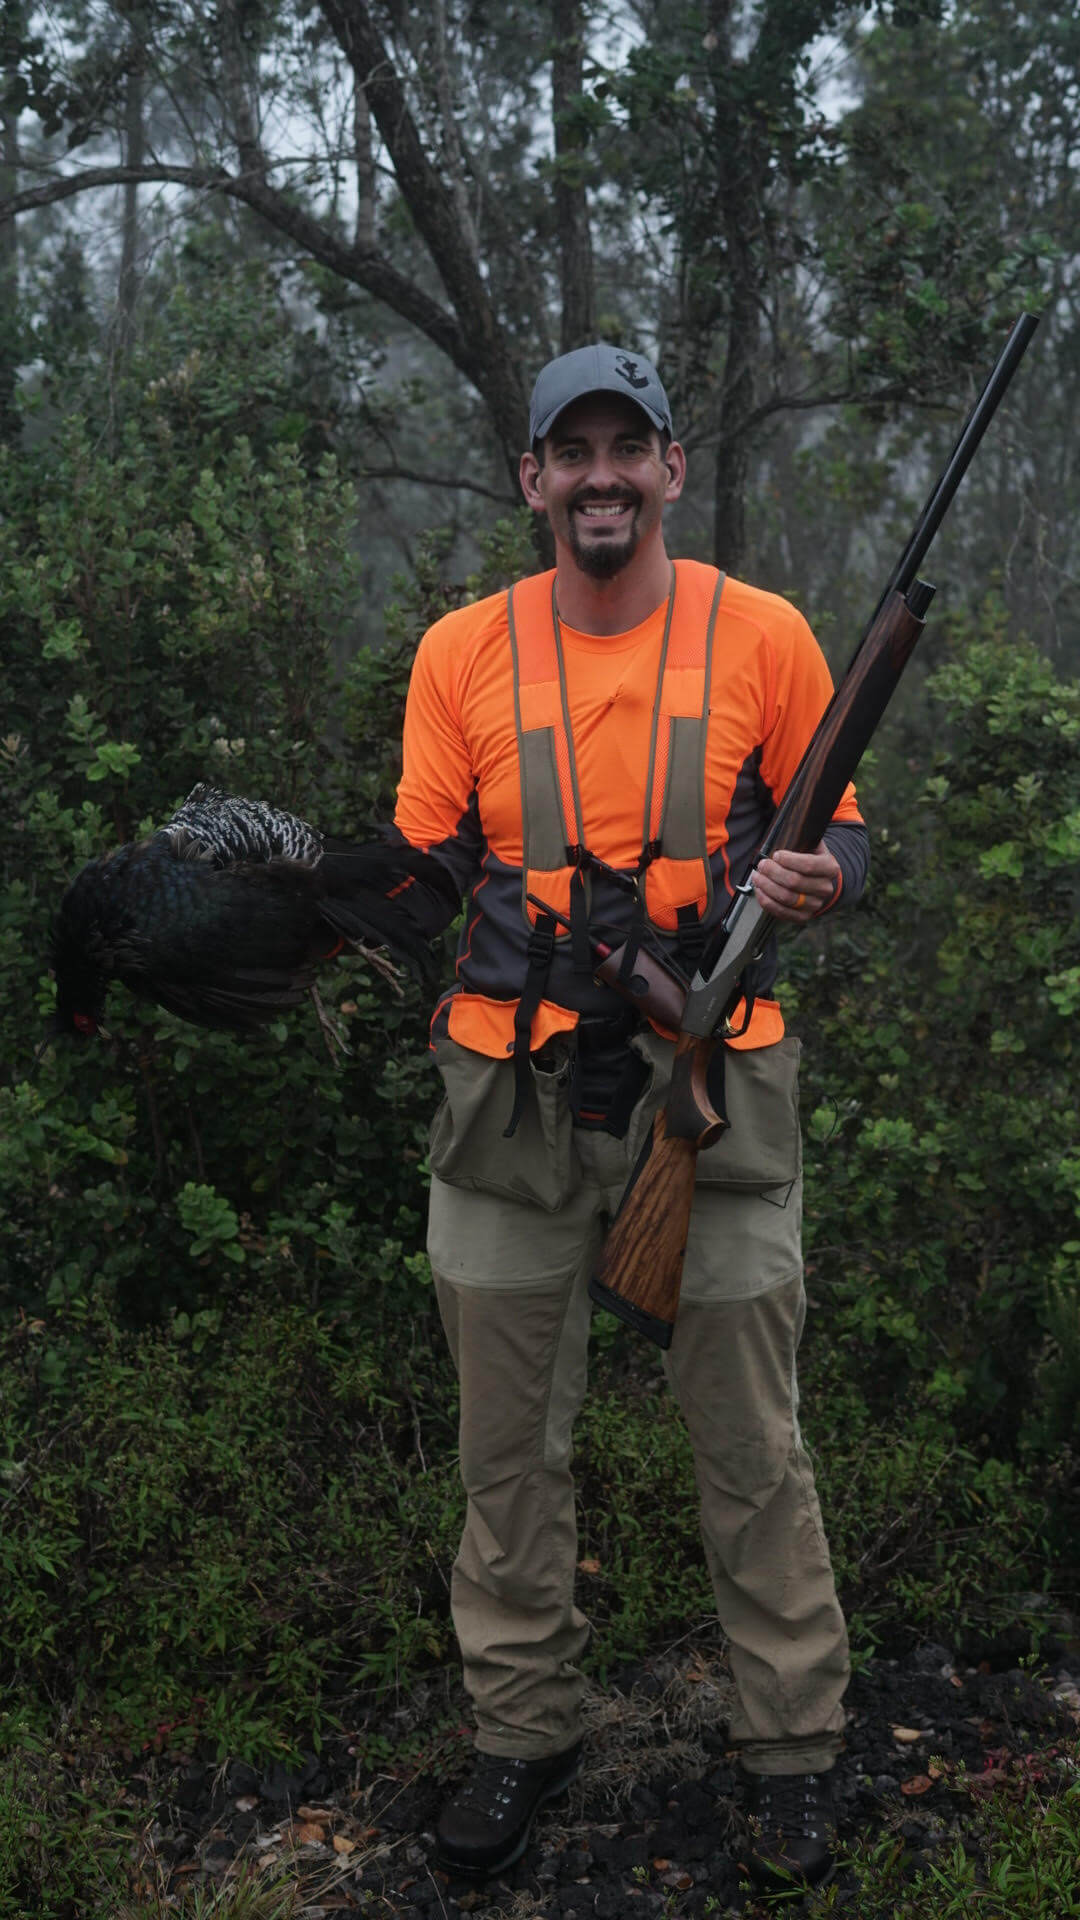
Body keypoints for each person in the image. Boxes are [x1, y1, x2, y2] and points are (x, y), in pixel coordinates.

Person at [392, 343, 869, 1889]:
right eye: (570, 451)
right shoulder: (460, 652)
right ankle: (524, 1734)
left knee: (754, 1445)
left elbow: (845, 834)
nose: (601, 475)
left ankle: (792, 1750)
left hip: (710, 1092)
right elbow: (416, 874)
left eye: (629, 447)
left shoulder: (768, 635)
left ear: (670, 466)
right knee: (505, 1454)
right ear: (532, 479)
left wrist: (823, 877)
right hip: (507, 1105)